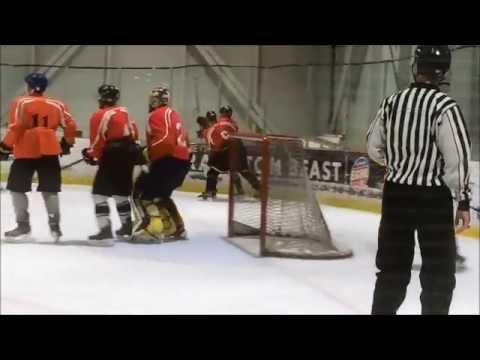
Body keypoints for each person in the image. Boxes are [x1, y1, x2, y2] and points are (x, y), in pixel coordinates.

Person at [366, 45, 472, 315]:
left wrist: (398, 166)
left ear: (416, 66)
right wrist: (463, 201)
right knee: (438, 274)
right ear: (443, 72)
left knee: (391, 269)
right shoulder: (445, 107)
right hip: (431, 200)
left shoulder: (392, 102)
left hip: (396, 195)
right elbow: (456, 159)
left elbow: (372, 146)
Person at [0, 72, 77, 241]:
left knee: (17, 188)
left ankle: (23, 226)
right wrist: (67, 142)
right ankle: (55, 227)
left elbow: (17, 127)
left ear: (29, 86)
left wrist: (5, 146)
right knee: (50, 189)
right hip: (50, 148)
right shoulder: (58, 104)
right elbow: (70, 125)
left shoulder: (20, 102)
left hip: (25, 149)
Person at [81, 84, 140, 244]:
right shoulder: (124, 112)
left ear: (101, 97)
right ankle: (127, 228)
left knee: (99, 194)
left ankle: (105, 231)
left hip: (113, 155)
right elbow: (134, 133)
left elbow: (99, 139)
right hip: (129, 155)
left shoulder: (100, 114)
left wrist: (91, 154)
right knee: (121, 194)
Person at [131, 86, 190, 241]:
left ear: (156, 100)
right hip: (181, 161)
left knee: (140, 193)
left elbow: (165, 141)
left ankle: (149, 229)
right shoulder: (174, 114)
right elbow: (184, 141)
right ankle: (177, 228)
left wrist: (148, 154)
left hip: (167, 160)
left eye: (152, 100)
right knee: (161, 195)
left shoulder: (156, 114)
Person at [198, 109, 260, 200]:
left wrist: (211, 160)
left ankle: (211, 190)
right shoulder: (227, 122)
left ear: (207, 121)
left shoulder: (209, 131)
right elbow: (235, 130)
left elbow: (214, 149)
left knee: (212, 171)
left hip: (226, 151)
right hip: (239, 147)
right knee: (244, 171)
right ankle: (260, 189)